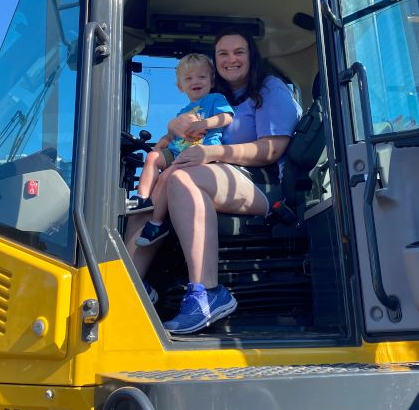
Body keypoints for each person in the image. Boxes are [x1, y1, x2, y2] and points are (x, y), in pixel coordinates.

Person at [126, 30, 302, 334]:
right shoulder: (213, 96)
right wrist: (173, 127)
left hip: (263, 180)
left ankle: (207, 293)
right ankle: (127, 289)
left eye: (239, 52)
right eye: (223, 53)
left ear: (251, 56)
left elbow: (271, 150)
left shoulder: (269, 89)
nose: (231, 59)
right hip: (216, 171)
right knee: (148, 198)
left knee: (181, 178)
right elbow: (181, 128)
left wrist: (210, 152)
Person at [129, 53, 233, 246]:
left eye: (201, 77)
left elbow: (227, 117)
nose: (195, 81)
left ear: (211, 81)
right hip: (178, 150)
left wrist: (205, 123)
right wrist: (165, 139)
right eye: (189, 78)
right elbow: (173, 136)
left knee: (168, 175)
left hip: (202, 150)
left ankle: (157, 222)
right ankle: (142, 198)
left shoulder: (215, 99)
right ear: (180, 87)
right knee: (152, 156)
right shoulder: (182, 112)